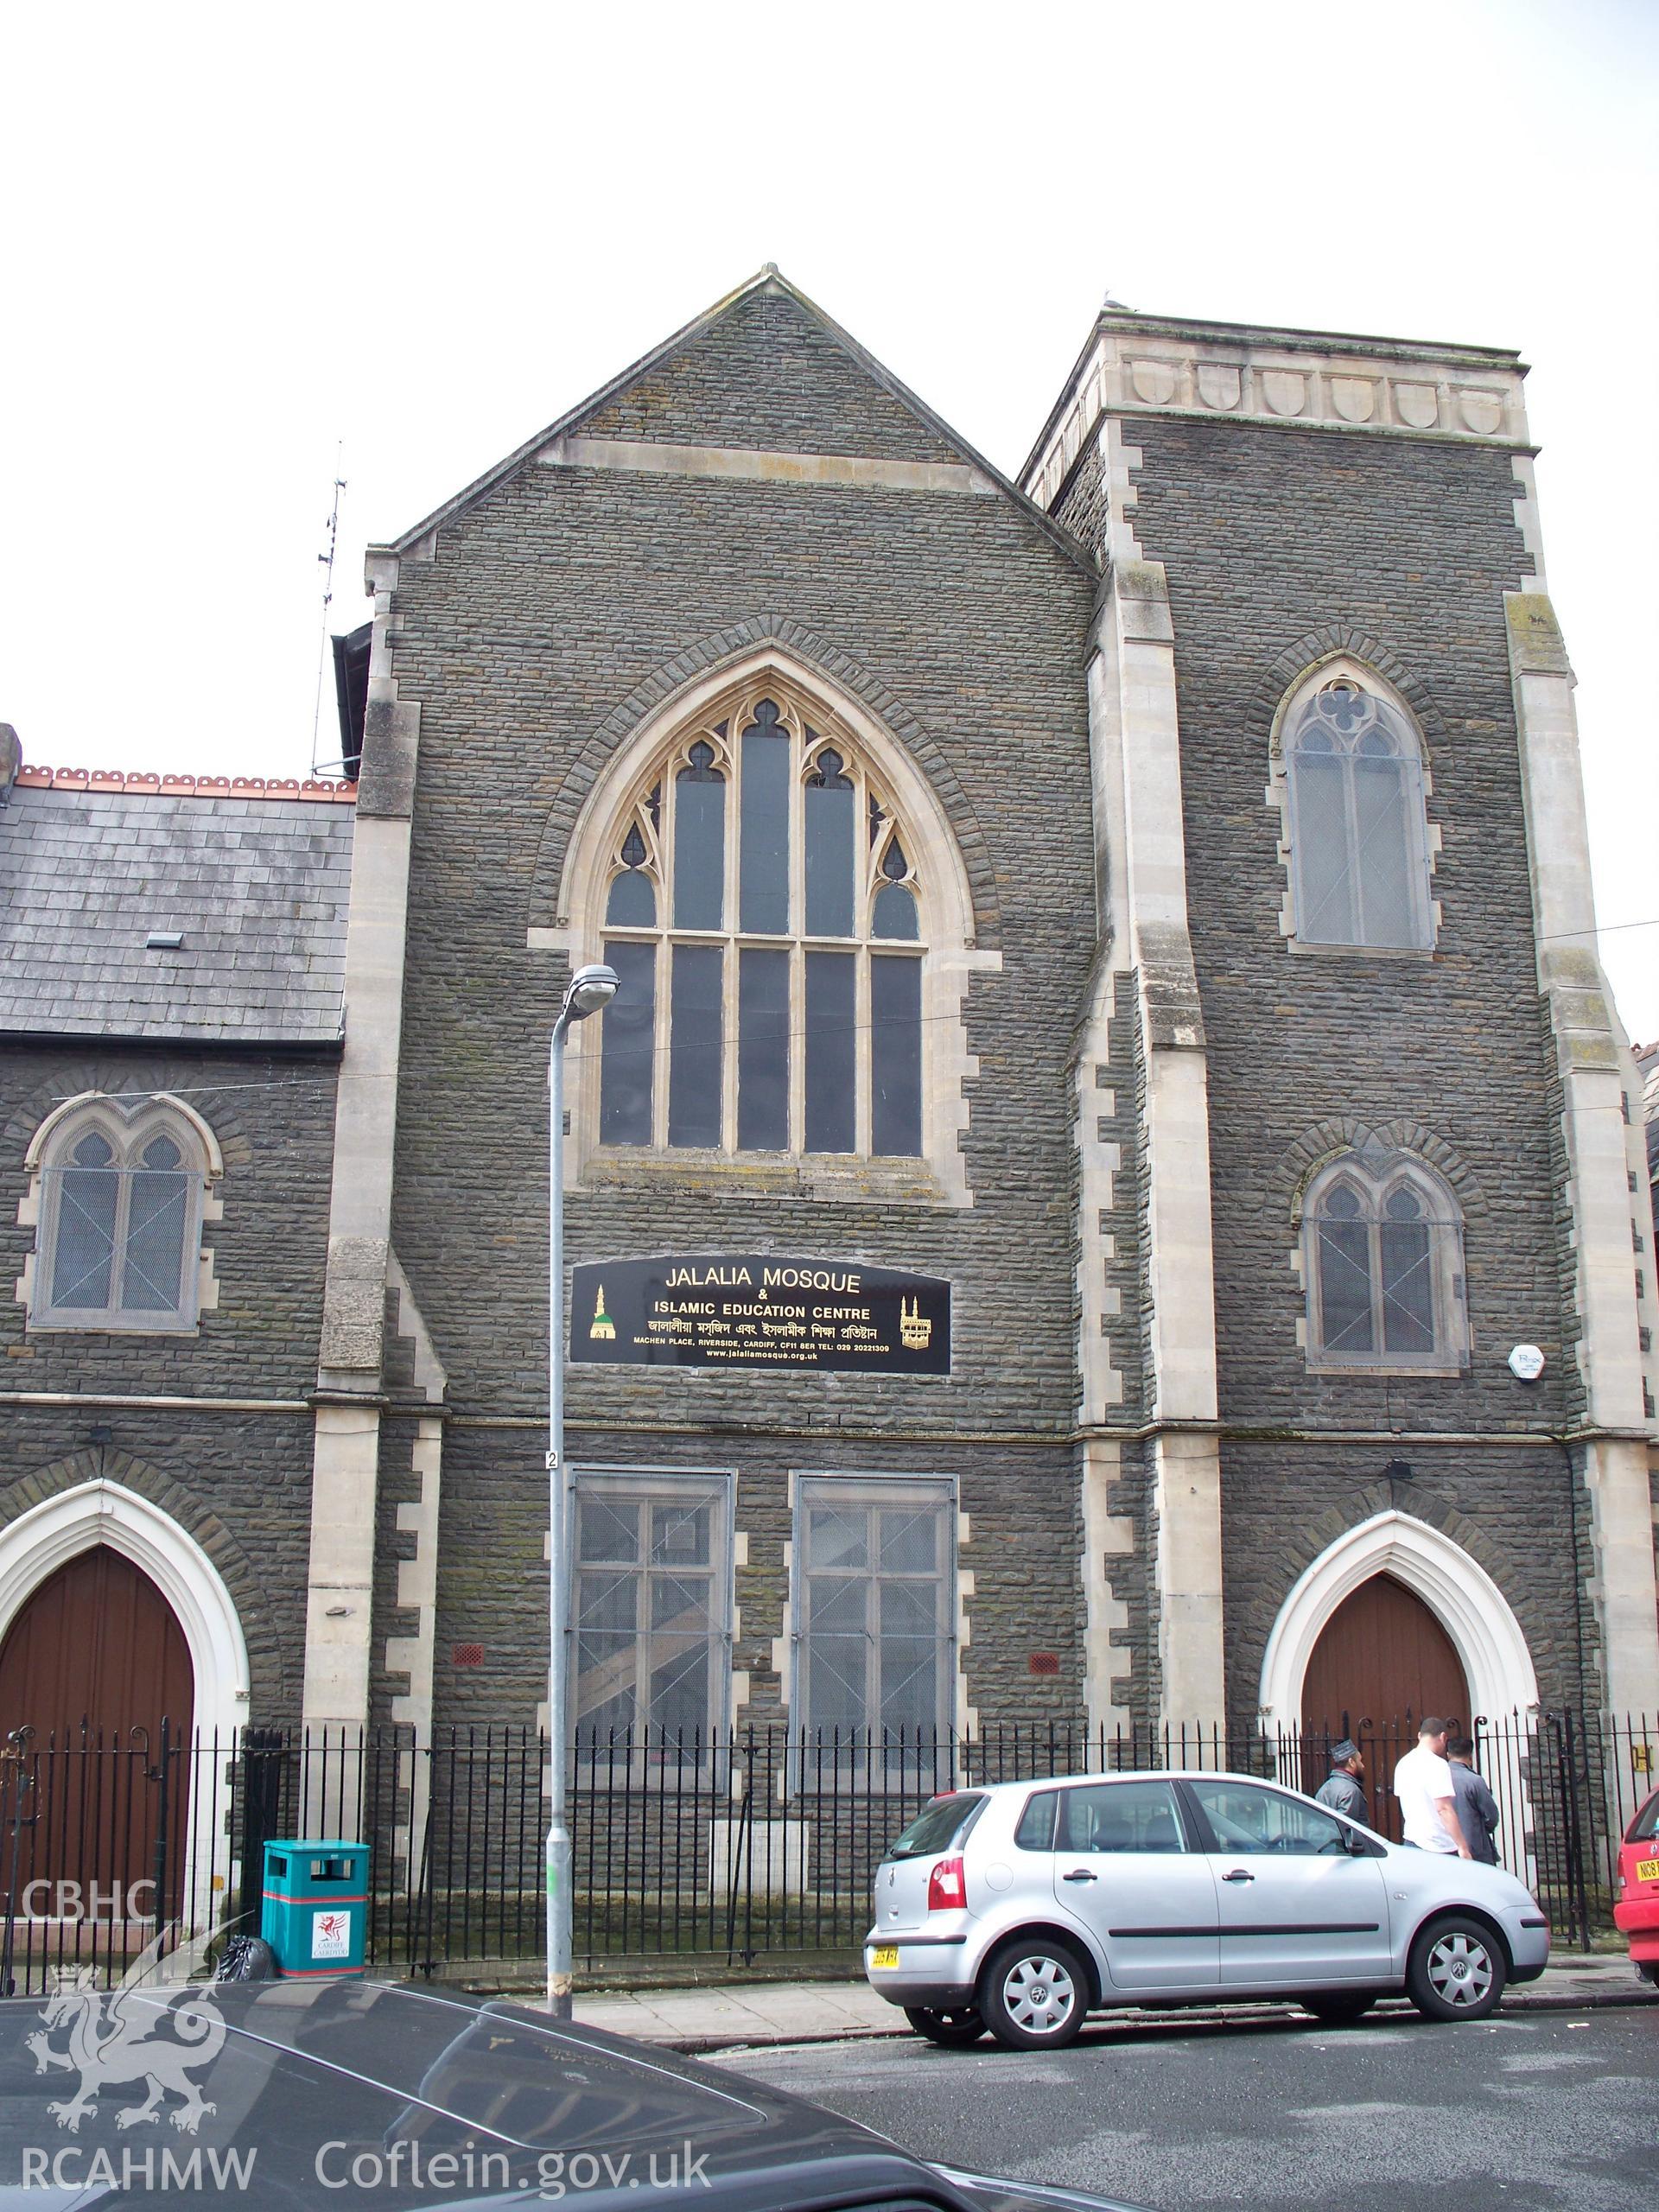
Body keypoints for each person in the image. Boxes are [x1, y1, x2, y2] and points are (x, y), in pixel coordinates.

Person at [1392, 1716, 1472, 1857]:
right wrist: (1462, 1847)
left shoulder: (1402, 1764)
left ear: (1419, 1736)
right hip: (1438, 1845)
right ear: (1443, 1737)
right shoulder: (1438, 1765)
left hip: (1411, 1840)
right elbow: (1443, 1808)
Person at [1446, 1734, 1501, 1865]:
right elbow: (1491, 1816)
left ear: (1448, 1754)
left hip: (1445, 1845)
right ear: (1470, 1756)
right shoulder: (1475, 1781)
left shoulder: (1437, 1778)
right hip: (1475, 1846)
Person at [1313, 1738, 1368, 1823]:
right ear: (1351, 1762)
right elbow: (1345, 1826)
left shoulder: (1325, 1787)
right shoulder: (1351, 1790)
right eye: (1360, 1761)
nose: (1363, 1766)